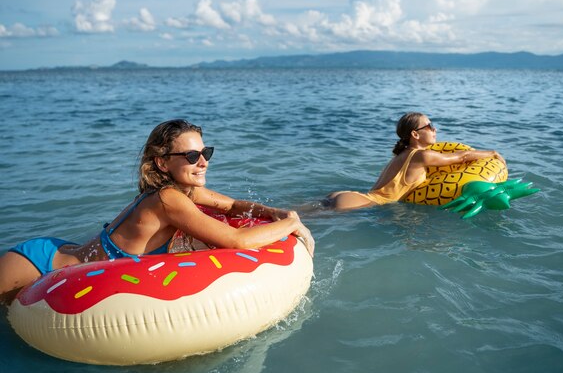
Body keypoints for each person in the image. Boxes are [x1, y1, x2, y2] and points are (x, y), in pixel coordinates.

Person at [0, 119, 315, 304]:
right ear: (163, 162)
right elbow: (235, 241)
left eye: (206, 152)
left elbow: (233, 205)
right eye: (192, 155)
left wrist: (275, 211)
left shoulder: (183, 192)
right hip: (41, 263)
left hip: (62, 252)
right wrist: (290, 223)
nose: (203, 161)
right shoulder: (168, 200)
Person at [325, 112, 505, 210]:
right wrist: (493, 153)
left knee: (304, 216)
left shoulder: (401, 155)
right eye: (429, 126)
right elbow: (462, 156)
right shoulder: (421, 155)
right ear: (415, 134)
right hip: (364, 202)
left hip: (353, 196)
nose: (435, 129)